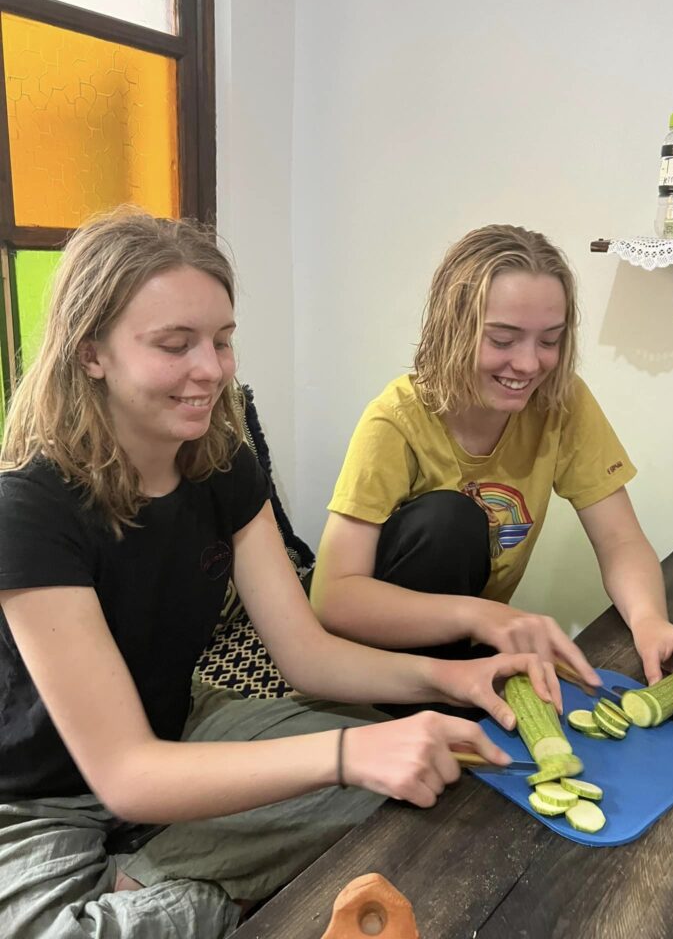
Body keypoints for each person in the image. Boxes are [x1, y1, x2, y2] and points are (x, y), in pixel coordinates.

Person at [0, 211, 562, 939]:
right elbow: (123, 774)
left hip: (180, 727)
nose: (212, 369)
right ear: (91, 353)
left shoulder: (221, 461)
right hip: (41, 795)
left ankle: (158, 879)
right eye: (176, 345)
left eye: (223, 340)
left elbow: (306, 654)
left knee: (414, 788)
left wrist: (449, 682)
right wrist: (346, 750)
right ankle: (172, 883)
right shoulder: (28, 506)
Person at [311, 224, 673, 718]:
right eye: (503, 339)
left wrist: (652, 621)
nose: (528, 364)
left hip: (467, 643)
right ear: (452, 329)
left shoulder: (561, 403)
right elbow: (334, 598)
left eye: (550, 340)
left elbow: (621, 541)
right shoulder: (394, 421)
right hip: (377, 663)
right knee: (451, 519)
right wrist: (487, 617)